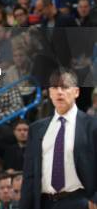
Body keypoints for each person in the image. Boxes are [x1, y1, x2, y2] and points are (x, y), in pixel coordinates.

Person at [20, 70, 97, 209]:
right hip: (45, 203)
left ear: (77, 92)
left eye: (65, 87)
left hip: (80, 202)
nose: (59, 92)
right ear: (50, 92)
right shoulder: (36, 128)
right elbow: (29, 176)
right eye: (55, 87)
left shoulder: (92, 126)